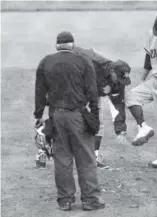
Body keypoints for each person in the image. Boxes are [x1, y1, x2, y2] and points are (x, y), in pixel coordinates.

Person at [33, 31, 105, 211]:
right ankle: (90, 200)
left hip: (56, 115)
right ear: (72, 44)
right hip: (78, 115)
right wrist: (95, 116)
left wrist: (38, 115)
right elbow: (92, 92)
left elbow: (40, 92)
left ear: (57, 45)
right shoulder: (83, 61)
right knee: (86, 159)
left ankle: (65, 200)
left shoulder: (46, 61)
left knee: (62, 159)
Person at [125, 13, 157, 168]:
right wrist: (142, 79)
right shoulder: (151, 36)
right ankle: (143, 127)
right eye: (156, 31)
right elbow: (148, 58)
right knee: (131, 95)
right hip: (153, 79)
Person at [73, 46, 131, 168]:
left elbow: (118, 104)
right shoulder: (96, 64)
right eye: (119, 78)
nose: (120, 82)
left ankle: (94, 155)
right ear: (112, 71)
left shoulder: (118, 82)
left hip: (93, 94)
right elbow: (86, 53)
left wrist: (120, 129)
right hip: (77, 88)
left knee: (98, 123)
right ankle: (45, 147)